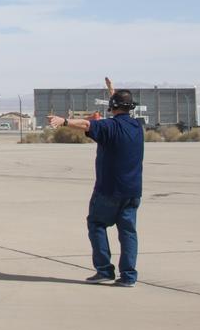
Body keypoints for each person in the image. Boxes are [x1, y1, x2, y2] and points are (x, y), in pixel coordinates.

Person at [47, 76, 144, 287]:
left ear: (112, 107)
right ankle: (128, 276)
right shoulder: (137, 127)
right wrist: (112, 90)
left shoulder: (108, 127)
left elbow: (85, 123)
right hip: (133, 192)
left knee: (96, 224)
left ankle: (104, 270)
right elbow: (122, 108)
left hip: (109, 190)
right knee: (128, 232)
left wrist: (63, 121)